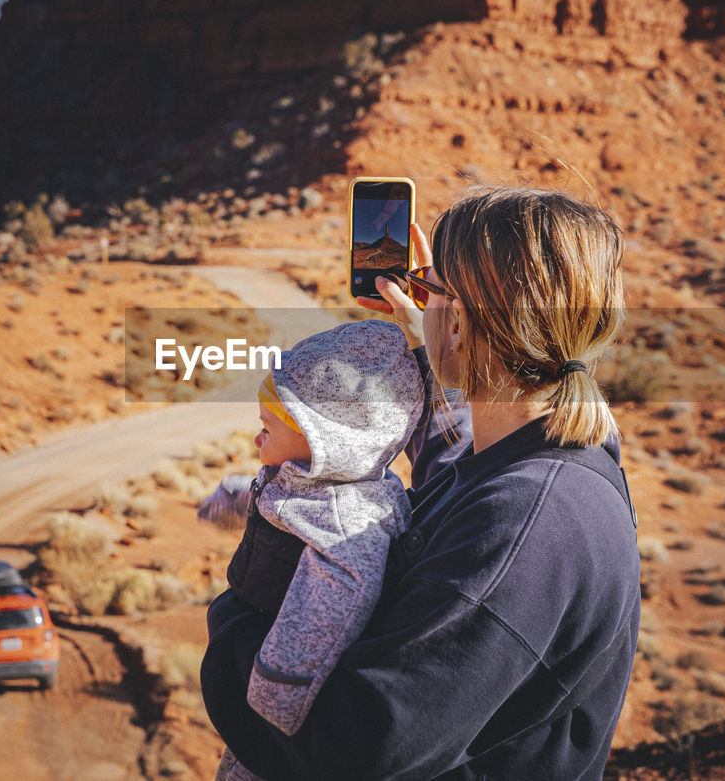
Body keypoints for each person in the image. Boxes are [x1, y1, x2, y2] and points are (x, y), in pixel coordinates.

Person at [200, 186, 641, 780]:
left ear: (457, 322)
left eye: (432, 291)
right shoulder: (540, 460)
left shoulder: (523, 520)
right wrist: (425, 334)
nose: (423, 302)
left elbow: (356, 745)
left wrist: (237, 619)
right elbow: (452, 459)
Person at [198, 319, 424, 780]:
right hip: (256, 641)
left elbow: (340, 595)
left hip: (279, 706)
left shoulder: (346, 526)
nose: (257, 440)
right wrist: (234, 495)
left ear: (322, 440)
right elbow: (282, 497)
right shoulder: (314, 479)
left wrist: (271, 692)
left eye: (267, 430)